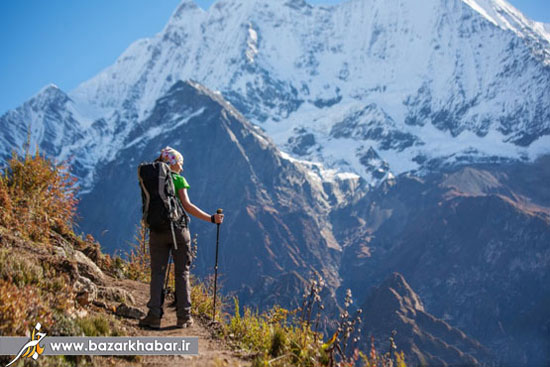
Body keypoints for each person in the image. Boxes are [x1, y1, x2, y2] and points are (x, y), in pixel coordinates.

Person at [139, 146, 224, 329]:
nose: (182, 167)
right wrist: (211, 218)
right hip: (178, 230)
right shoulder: (178, 179)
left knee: (157, 273)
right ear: (172, 162)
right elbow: (187, 206)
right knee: (182, 273)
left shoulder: (152, 179)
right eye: (180, 163)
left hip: (156, 230)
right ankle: (184, 317)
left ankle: (154, 315)